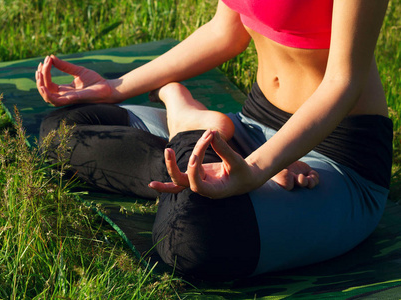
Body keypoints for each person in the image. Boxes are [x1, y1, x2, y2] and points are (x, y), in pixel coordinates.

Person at [36, 0, 393, 281]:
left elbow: (343, 83)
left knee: (188, 239)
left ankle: (188, 127)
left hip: (334, 158)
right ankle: (195, 143)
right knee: (64, 131)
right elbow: (226, 31)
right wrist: (116, 87)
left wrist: (258, 168)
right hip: (250, 126)